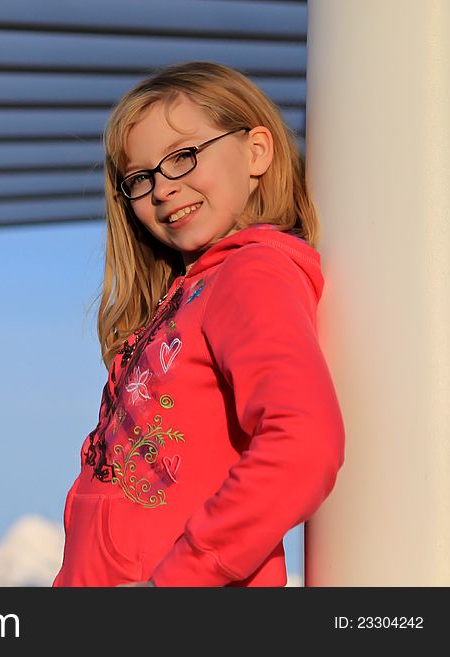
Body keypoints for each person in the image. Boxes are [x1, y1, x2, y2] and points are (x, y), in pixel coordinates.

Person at [52, 61, 345, 587]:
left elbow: (304, 442)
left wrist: (183, 579)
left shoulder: (251, 273)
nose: (162, 189)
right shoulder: (185, 297)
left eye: (183, 157)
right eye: (140, 178)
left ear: (256, 151)